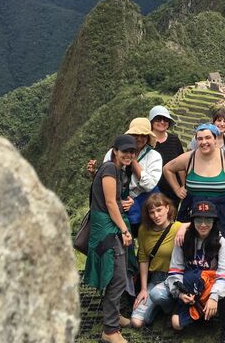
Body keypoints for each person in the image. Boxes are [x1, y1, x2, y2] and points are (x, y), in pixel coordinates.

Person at [163, 124, 225, 260]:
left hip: (222, 212)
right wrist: (177, 189)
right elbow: (167, 169)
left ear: (215, 139)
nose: (204, 142)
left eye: (207, 138)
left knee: (224, 249)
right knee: (189, 249)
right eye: (200, 139)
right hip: (192, 210)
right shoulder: (189, 158)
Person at [83, 135, 137, 343]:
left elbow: (110, 197)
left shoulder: (112, 170)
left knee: (119, 273)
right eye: (125, 151)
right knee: (116, 277)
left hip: (108, 225)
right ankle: (110, 330)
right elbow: (110, 203)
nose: (129, 155)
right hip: (108, 229)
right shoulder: (110, 169)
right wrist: (124, 230)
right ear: (115, 150)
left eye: (132, 152)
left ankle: (113, 317)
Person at [161, 201, 225, 343]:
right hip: (189, 286)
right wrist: (180, 294)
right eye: (198, 219)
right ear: (192, 221)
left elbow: (224, 274)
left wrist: (214, 296)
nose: (203, 224)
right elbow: (175, 270)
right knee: (176, 324)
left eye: (208, 219)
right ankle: (199, 315)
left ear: (214, 221)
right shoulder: (183, 240)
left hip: (211, 286)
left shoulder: (220, 242)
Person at [131, 193, 188, 328]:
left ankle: (169, 309)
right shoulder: (143, 230)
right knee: (136, 322)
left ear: (167, 208)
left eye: (159, 210)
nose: (156, 216)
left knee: (157, 295)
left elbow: (200, 225)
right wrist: (143, 289)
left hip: (175, 279)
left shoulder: (177, 227)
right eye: (152, 212)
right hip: (156, 278)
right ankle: (162, 307)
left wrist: (184, 226)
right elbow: (143, 259)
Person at [149, 105, 185, 206]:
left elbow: (181, 166)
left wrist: (183, 186)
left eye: (165, 119)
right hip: (152, 192)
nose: (162, 122)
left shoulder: (174, 140)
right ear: (151, 121)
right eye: (158, 119)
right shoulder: (145, 141)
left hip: (173, 192)